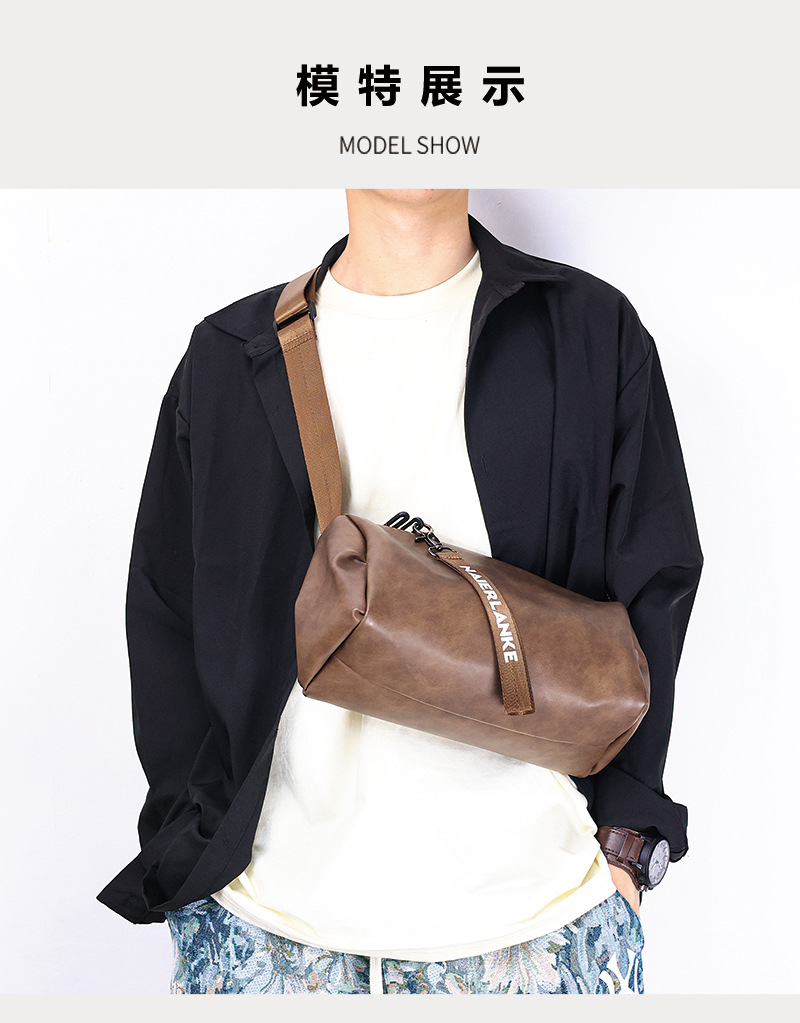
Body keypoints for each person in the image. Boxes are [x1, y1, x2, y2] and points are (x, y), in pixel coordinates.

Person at [98, 189, 703, 995]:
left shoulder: (590, 331)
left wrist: (627, 849)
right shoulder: (229, 357)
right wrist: (190, 846)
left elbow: (654, 591)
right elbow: (165, 614)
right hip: (266, 936)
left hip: (541, 931)